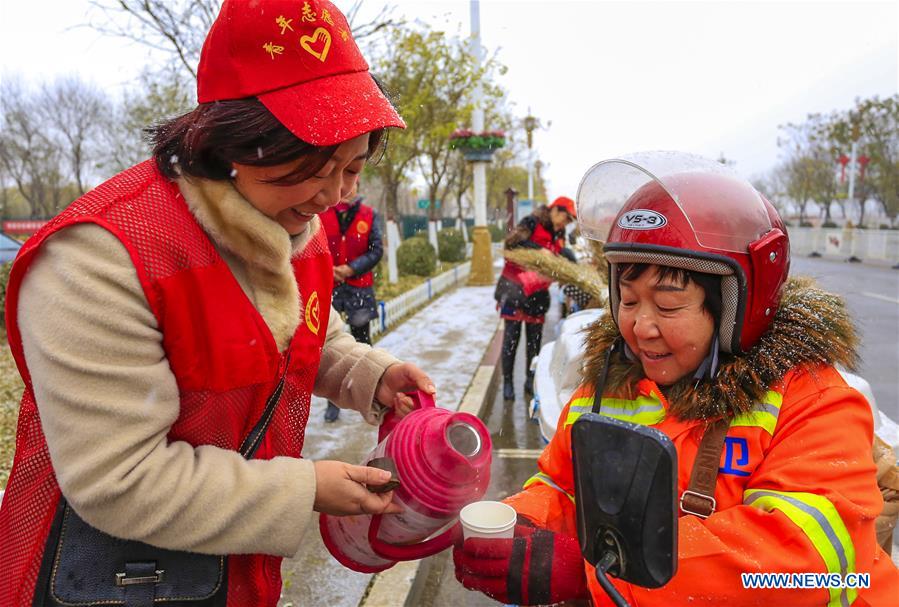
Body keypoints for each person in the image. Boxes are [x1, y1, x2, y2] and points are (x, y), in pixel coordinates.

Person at [0, 2, 437, 605]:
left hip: (229, 571)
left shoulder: (293, 229)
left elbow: (305, 334)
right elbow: (119, 480)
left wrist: (370, 375)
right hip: (102, 581)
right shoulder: (102, 257)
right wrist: (304, 487)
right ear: (237, 141)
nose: (336, 194)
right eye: (316, 167)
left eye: (353, 168)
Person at [455, 152, 899, 605]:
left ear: (735, 309)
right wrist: (520, 527)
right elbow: (562, 486)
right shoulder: (608, 390)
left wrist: (595, 573)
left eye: (667, 306)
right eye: (627, 300)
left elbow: (800, 566)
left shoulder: (815, 401)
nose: (641, 326)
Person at [495, 196, 576, 401]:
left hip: (537, 295)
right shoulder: (532, 221)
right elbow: (512, 242)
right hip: (515, 289)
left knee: (534, 342)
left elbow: (558, 255)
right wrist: (539, 250)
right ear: (555, 210)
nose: (565, 224)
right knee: (511, 341)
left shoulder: (559, 233)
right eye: (565, 218)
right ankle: (507, 382)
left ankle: (530, 381)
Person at [320, 181, 384, 422]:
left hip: (359, 287)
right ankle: (332, 403)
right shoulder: (321, 213)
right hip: (330, 286)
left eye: (354, 184)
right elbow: (312, 246)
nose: (348, 188)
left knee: (362, 342)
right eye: (344, 184)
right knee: (329, 346)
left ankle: (368, 395)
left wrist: (352, 268)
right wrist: (330, 269)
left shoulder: (369, 215)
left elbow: (376, 250)